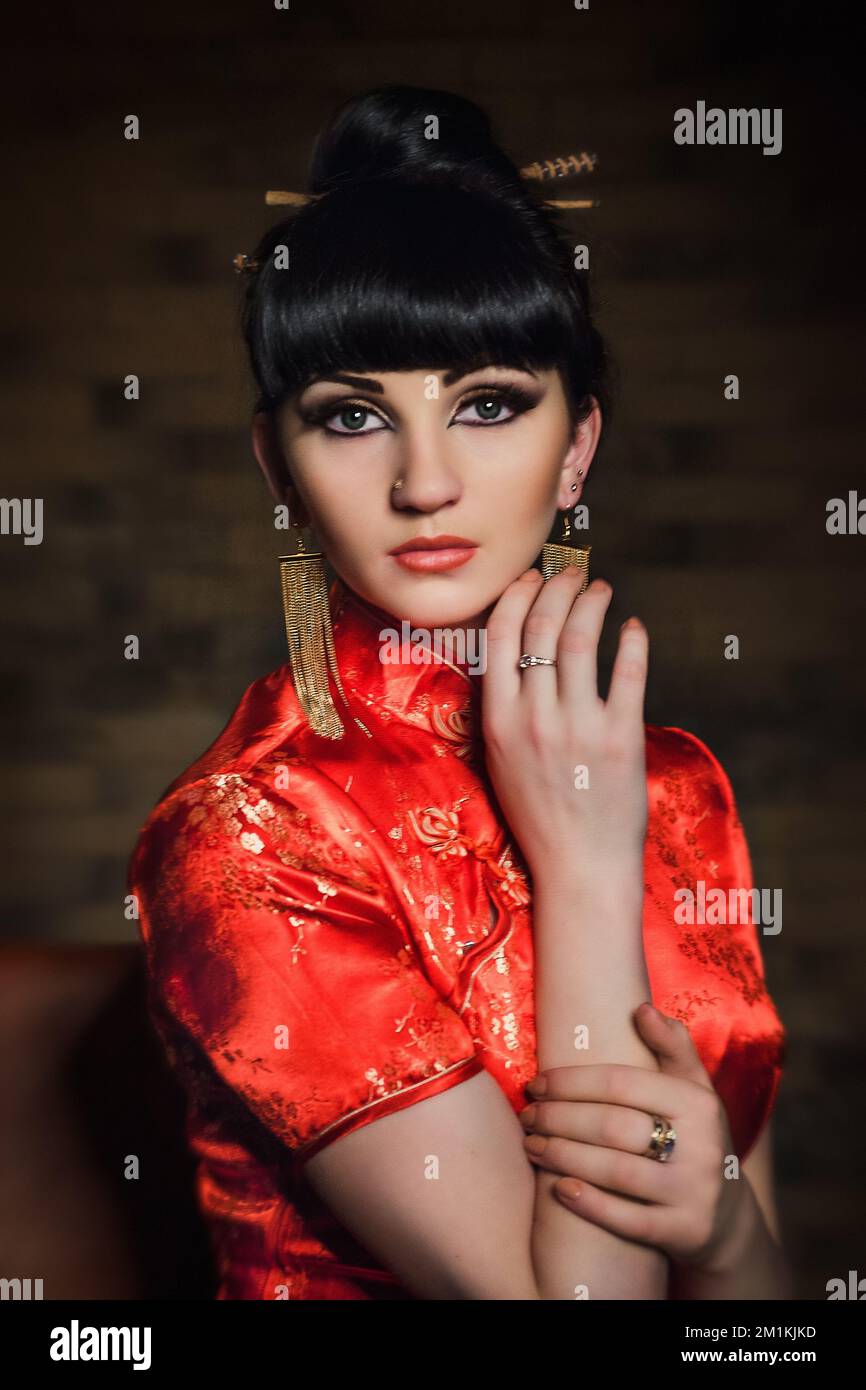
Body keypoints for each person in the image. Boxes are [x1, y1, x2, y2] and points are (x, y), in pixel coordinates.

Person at [127, 84, 789, 1300]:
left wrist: (733, 1233)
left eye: (486, 403)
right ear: (277, 462)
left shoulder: (676, 789)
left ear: (576, 445)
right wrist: (586, 870)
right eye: (352, 416)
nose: (424, 480)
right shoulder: (249, 841)